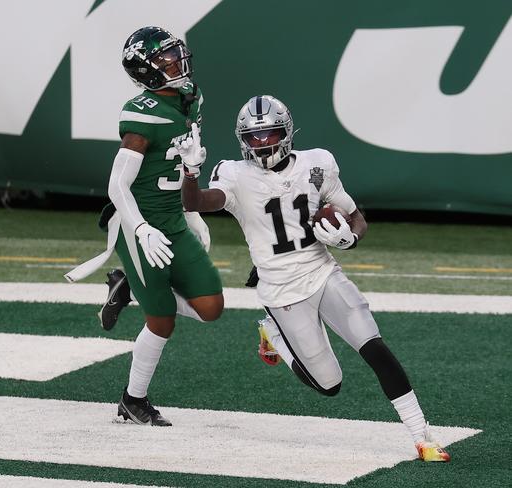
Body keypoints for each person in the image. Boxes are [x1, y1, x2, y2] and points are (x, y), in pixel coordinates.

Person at [176, 95, 450, 462]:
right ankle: (272, 333)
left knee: (375, 347)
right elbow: (195, 203)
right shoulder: (236, 176)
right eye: (253, 137)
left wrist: (349, 239)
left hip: (322, 273)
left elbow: (357, 218)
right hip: (281, 290)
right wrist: (190, 173)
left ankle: (423, 438)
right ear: (242, 140)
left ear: (285, 132)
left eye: (268, 133)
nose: (261, 143)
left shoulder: (317, 164)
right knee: (329, 385)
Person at [91, 26, 224, 427]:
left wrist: (192, 212)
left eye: (175, 53)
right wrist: (142, 230)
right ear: (146, 71)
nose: (177, 61)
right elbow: (117, 186)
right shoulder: (141, 114)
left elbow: (184, 160)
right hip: (140, 223)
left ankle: (127, 286)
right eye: (165, 58)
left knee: (210, 309)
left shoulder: (191, 97)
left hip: (173, 216)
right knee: (161, 319)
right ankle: (133, 401)